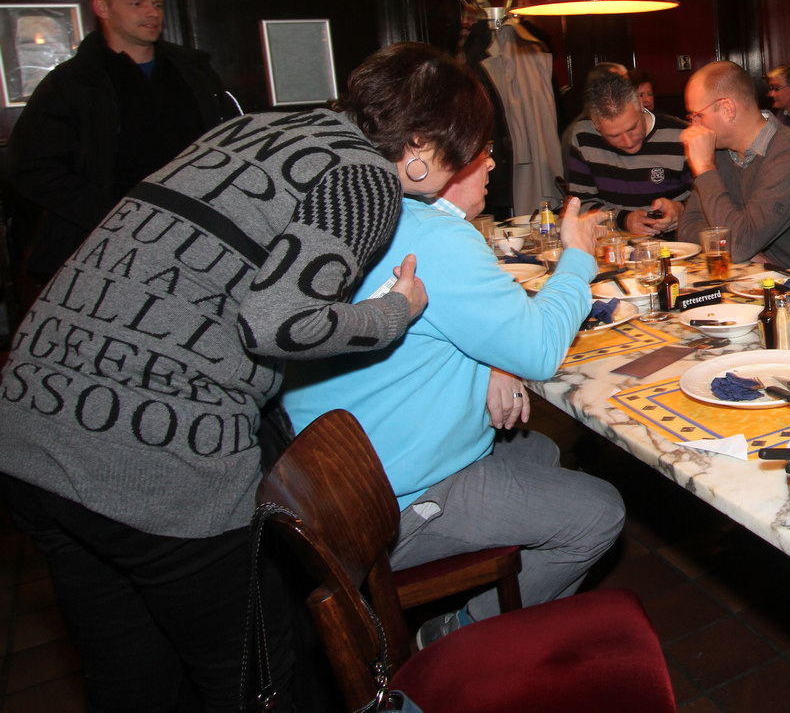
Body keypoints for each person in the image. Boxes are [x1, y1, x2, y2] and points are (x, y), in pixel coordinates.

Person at [0, 42, 490, 711]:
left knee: (129, 677)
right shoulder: (364, 175)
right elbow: (276, 320)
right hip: (151, 446)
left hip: (32, 416)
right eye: (461, 153)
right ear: (423, 145)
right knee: (253, 678)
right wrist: (393, 313)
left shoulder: (254, 127)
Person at [284, 150, 623, 650]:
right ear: (438, 163)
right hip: (383, 507)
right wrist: (576, 257)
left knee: (540, 451)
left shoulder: (365, 214)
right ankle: (455, 636)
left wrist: (492, 363)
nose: (491, 164)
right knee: (600, 512)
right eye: (479, 152)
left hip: (326, 473)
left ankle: (515, 600)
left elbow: (445, 323)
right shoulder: (437, 237)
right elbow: (540, 349)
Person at [8, 0, 240, 299]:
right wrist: (115, 212)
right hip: (106, 245)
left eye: (157, 4)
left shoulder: (194, 72)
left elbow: (230, 139)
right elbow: (32, 168)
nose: (152, 13)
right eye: (137, 4)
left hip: (195, 238)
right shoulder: (73, 83)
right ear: (102, 8)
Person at [676, 61, 790, 267]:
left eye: (697, 115)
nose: (692, 126)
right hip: (757, 277)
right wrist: (730, 244)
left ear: (727, 109)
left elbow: (738, 246)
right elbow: (686, 228)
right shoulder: (720, 152)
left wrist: (705, 169)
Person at [567, 69, 691, 236]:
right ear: (595, 125)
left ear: (641, 105)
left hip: (675, 243)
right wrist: (623, 220)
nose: (628, 142)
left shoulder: (682, 135)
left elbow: (708, 198)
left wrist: (681, 208)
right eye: (614, 136)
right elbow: (580, 204)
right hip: (614, 244)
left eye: (632, 128)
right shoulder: (583, 136)